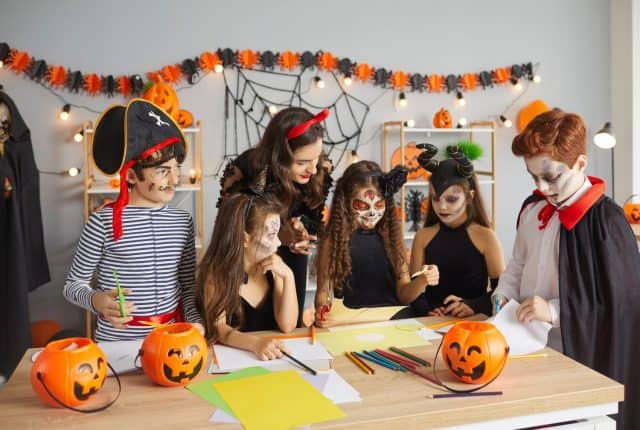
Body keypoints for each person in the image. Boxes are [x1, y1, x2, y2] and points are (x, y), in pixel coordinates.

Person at [492, 109, 640, 428]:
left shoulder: (607, 223)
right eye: (534, 177)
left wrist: (555, 311)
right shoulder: (533, 210)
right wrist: (504, 292)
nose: (543, 188)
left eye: (552, 177)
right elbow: (518, 262)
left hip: (577, 359)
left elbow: (621, 307)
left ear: (581, 164)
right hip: (525, 351)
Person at [64, 99, 203, 341]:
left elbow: (187, 287)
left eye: (176, 168)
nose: (174, 179)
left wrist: (195, 322)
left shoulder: (183, 222)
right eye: (162, 170)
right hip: (118, 344)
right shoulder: (102, 222)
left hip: (170, 341)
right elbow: (73, 285)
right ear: (130, 176)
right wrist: (97, 300)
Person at [219, 107, 332, 325]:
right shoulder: (246, 169)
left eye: (316, 158)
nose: (312, 168)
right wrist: (280, 231)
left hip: (291, 260)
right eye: (301, 162)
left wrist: (303, 234)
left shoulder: (318, 169)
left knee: (289, 326)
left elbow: (317, 222)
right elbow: (229, 224)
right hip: (251, 257)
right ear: (279, 156)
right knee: (247, 326)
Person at [314, 161, 427, 327]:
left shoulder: (393, 238)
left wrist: (422, 280)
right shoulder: (333, 241)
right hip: (349, 324)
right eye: (362, 205)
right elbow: (323, 292)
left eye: (379, 204)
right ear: (345, 203)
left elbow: (404, 295)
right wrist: (323, 311)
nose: (372, 212)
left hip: (392, 321)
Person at [197, 183, 298, 360]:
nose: (279, 243)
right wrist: (255, 343)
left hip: (272, 360)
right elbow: (219, 329)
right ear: (244, 238)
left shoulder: (274, 266)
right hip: (234, 362)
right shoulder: (217, 274)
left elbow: (287, 325)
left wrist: (288, 276)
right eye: (271, 235)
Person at [406, 145, 505, 318]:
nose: (442, 207)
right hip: (429, 325)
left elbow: (502, 292)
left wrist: (473, 305)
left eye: (451, 199)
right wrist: (426, 310)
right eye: (436, 199)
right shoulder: (422, 237)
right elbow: (414, 291)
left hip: (472, 323)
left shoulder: (486, 237)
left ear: (470, 197)